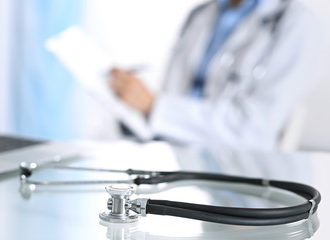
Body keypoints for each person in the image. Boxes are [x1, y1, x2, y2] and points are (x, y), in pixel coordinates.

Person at [110, 0, 322, 150]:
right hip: (173, 159)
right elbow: (172, 93)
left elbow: (254, 131)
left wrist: (155, 107)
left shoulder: (296, 24)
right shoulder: (200, 14)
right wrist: (131, 101)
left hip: (237, 175)